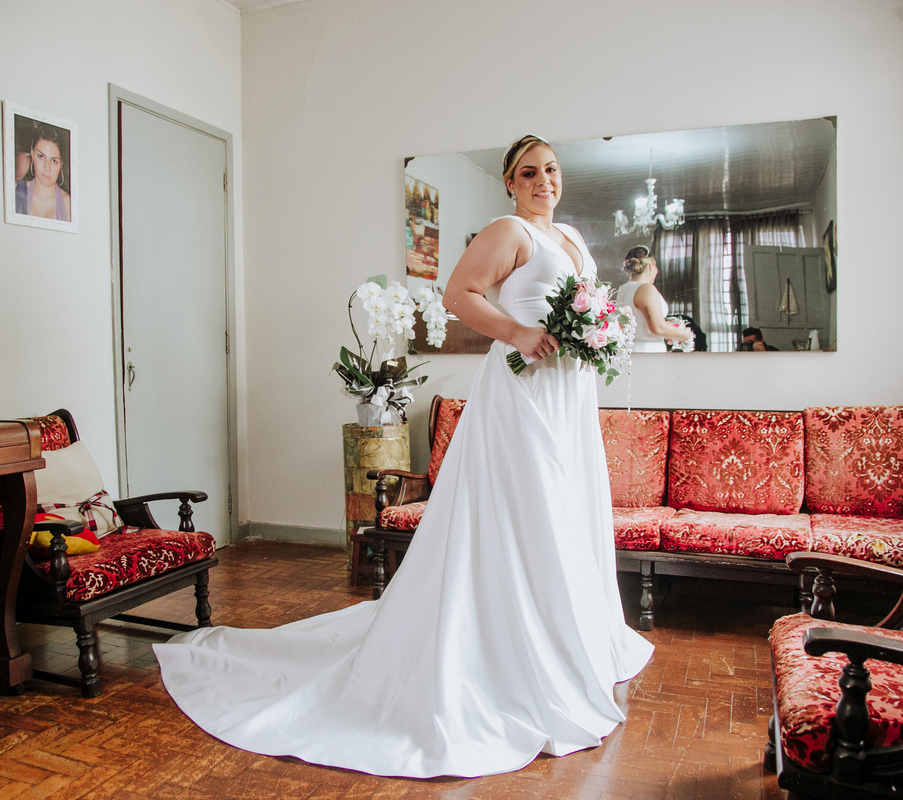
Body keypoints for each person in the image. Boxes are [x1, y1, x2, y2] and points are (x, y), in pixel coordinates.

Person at [153, 134, 653, 779]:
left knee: (566, 509)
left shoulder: (574, 237)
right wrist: (519, 332)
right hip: (525, 392)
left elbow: (585, 306)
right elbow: (458, 295)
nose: (543, 181)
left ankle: (568, 638)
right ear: (509, 182)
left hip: (568, 392)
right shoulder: (509, 231)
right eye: (529, 172)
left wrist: (596, 334)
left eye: (551, 170)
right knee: (528, 512)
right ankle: (514, 649)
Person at [613, 246, 693, 352]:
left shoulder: (623, 289)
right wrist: (685, 334)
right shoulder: (646, 288)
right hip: (648, 350)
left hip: (630, 349)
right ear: (651, 266)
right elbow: (658, 328)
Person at [15, 125, 71, 221]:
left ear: (61, 163)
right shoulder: (15, 192)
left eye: (54, 161)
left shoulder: (69, 205)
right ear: (32, 152)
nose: (47, 167)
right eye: (41, 156)